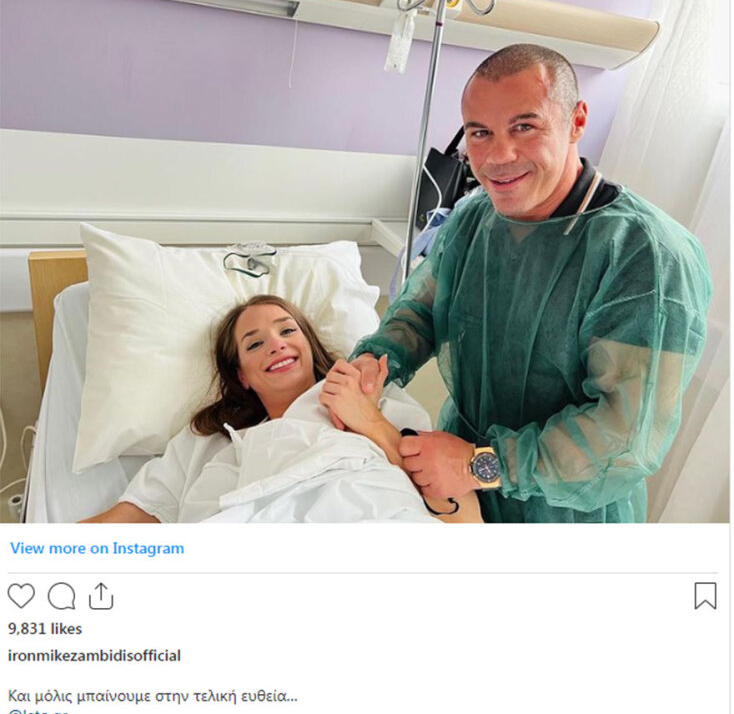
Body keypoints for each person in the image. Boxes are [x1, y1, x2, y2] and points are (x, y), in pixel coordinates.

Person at [324, 43, 712, 523]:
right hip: (456, 489)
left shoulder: (646, 256)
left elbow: (623, 438)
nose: (498, 156)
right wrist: (377, 362)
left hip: (564, 513)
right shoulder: (474, 218)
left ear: (576, 121)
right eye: (480, 133)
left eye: (524, 127)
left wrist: (477, 465)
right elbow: (422, 310)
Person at [82, 295, 477, 523]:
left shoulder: (378, 401)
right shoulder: (211, 442)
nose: (276, 345)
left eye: (288, 330)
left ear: (309, 345)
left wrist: (368, 420)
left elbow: (455, 512)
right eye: (255, 344)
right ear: (242, 376)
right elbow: (134, 516)